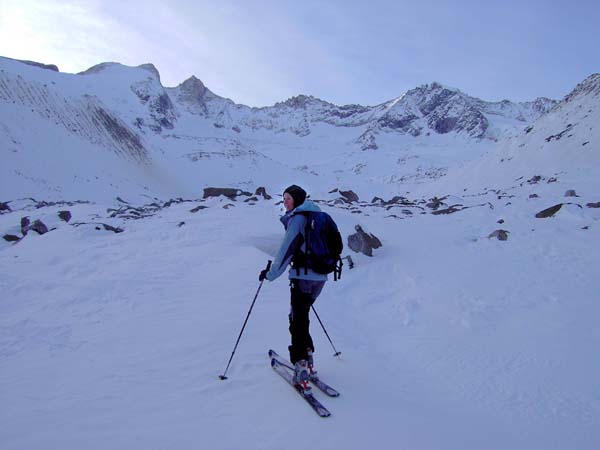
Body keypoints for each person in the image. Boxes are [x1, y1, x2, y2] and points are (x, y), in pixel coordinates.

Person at [259, 184, 326, 390]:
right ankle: (309, 359)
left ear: (297, 200)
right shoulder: (317, 217)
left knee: (296, 321)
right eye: (284, 198)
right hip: (320, 278)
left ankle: (301, 367)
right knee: (302, 317)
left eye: (288, 198)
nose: (285, 201)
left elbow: (285, 251)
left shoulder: (298, 220)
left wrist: (270, 274)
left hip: (302, 278)